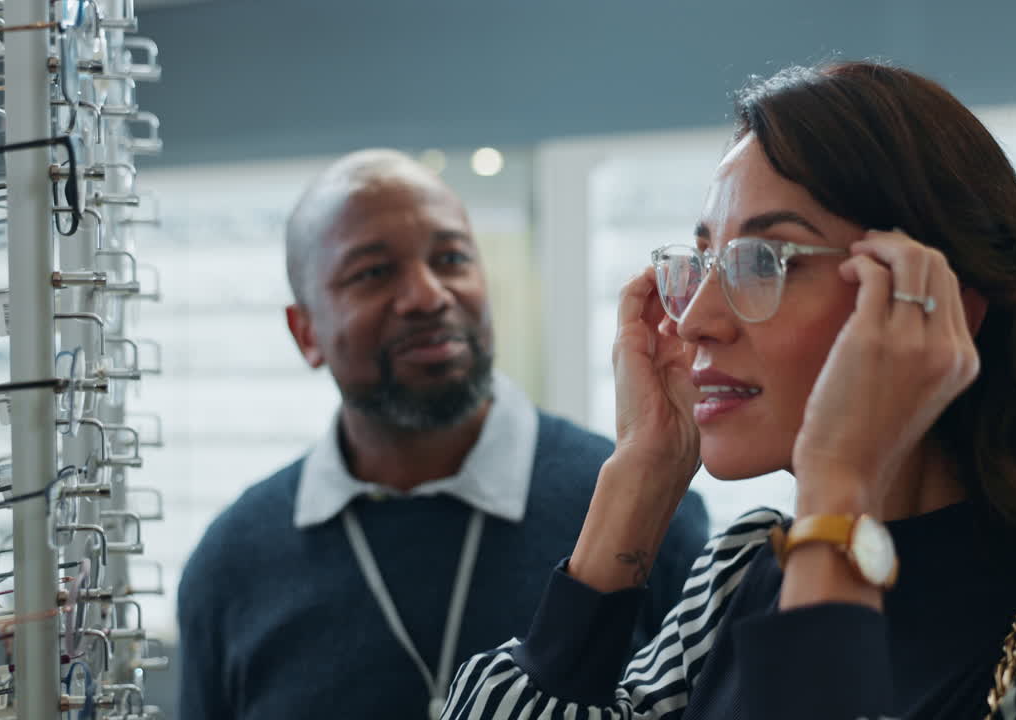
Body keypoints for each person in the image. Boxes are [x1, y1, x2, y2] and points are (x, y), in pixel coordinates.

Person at [441, 63, 1016, 719]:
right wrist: (639, 479)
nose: (697, 319)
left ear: (939, 307)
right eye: (702, 262)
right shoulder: (743, 572)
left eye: (764, 262)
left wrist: (839, 487)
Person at [176, 149, 709, 720]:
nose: (429, 296)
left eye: (452, 258)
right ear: (305, 332)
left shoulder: (648, 513)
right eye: (374, 272)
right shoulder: (233, 562)